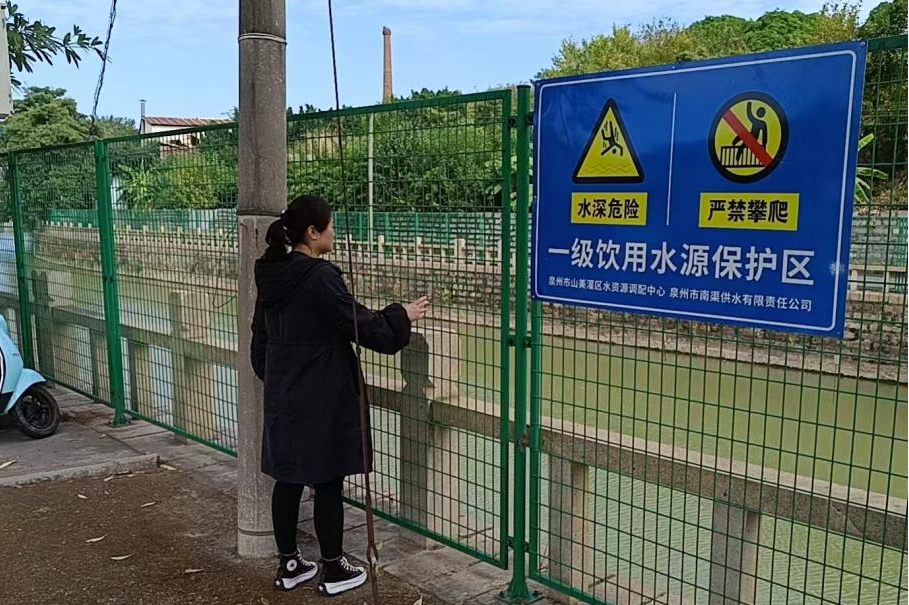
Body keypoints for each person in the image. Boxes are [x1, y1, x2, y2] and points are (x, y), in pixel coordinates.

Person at [250, 195, 430, 596]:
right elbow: (359, 323)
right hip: (321, 394)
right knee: (328, 479)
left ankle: (290, 564)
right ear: (313, 233)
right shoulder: (319, 276)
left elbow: (259, 340)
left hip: (285, 393)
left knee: (289, 476)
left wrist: (278, 378)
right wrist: (400, 316)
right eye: (330, 226)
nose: (334, 233)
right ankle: (333, 569)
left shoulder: (271, 274)